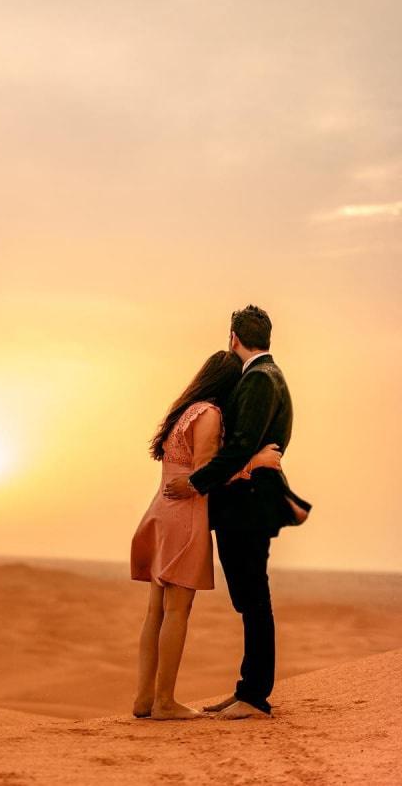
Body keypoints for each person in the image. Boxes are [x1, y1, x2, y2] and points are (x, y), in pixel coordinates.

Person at [164, 305, 312, 720]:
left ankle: (254, 697)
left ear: (233, 337)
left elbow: (239, 446)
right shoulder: (264, 376)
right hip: (244, 502)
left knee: (254, 599)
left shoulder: (261, 379)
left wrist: (194, 483)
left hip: (247, 505)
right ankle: (247, 690)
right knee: (249, 599)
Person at [130, 349, 283, 720]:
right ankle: (165, 701)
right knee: (178, 610)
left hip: (160, 512)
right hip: (184, 517)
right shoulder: (209, 414)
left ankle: (144, 699)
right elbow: (205, 474)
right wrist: (254, 463)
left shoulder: (182, 412)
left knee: (156, 610)